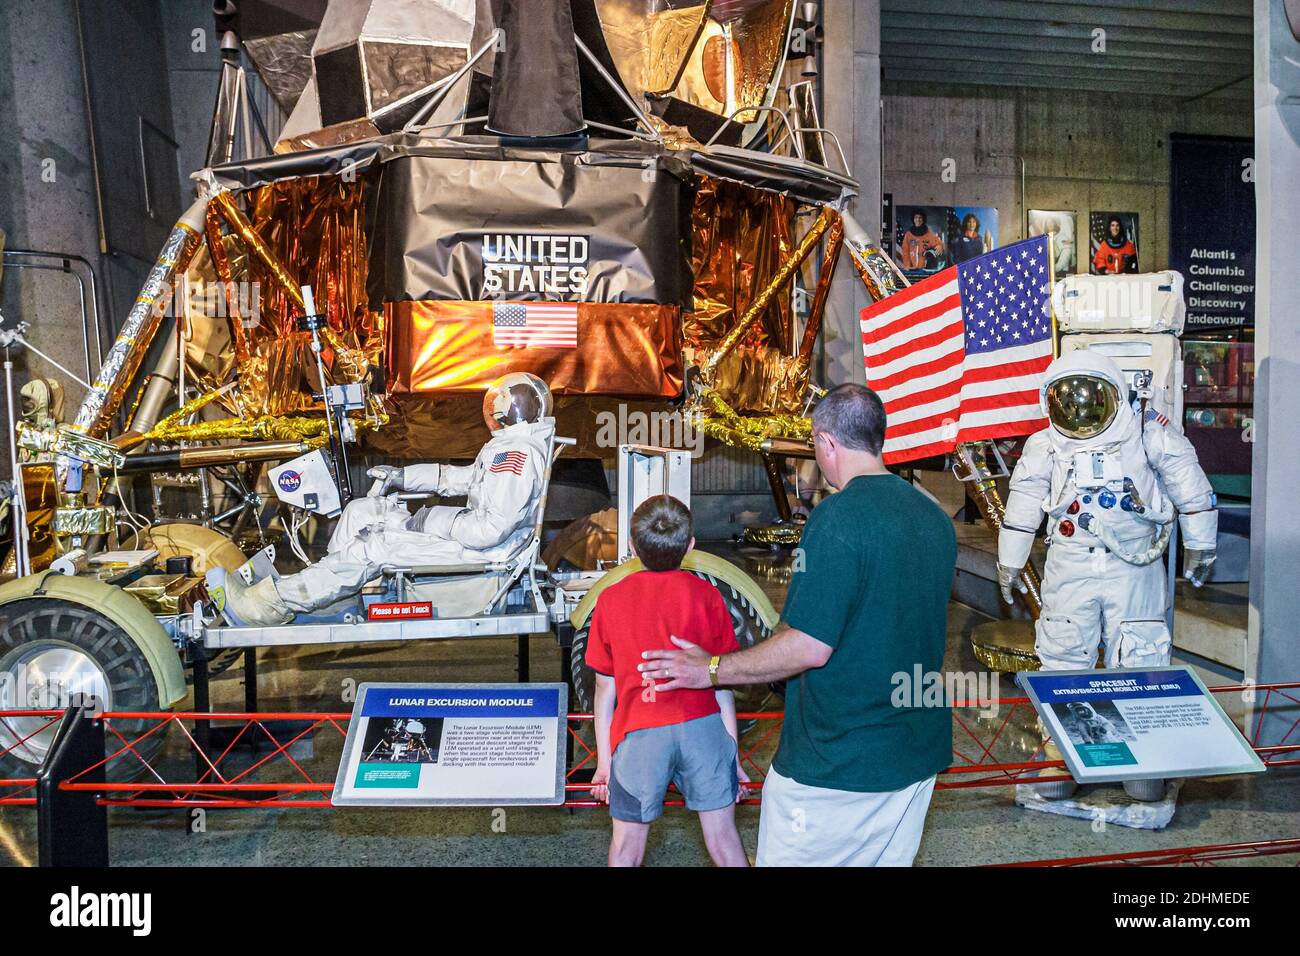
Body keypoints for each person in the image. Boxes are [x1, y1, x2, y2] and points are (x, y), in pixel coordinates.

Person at [639, 385, 957, 866]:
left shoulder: (837, 517)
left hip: (837, 763)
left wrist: (711, 668)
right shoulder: (934, 519)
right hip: (915, 755)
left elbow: (808, 646)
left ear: (827, 443)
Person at [997, 350, 1217, 801]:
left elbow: (1188, 484)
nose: (1080, 412)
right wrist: (1010, 558)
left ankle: (1143, 759)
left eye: (1091, 401)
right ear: (1050, 403)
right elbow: (1022, 503)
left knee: (1138, 659)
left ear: (1115, 395)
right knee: (1062, 656)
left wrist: (1202, 541)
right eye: (1068, 403)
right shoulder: (1046, 445)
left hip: (1131, 565)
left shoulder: (1146, 433)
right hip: (1071, 561)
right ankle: (1063, 754)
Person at [215, 373, 555, 625]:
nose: (491, 411)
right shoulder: (510, 446)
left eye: (496, 405)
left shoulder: (517, 455)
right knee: (362, 511)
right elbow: (461, 478)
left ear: (507, 411)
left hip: (483, 552)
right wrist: (402, 476)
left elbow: (488, 531)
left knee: (373, 546)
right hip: (467, 538)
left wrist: (429, 519)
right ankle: (336, 598)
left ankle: (270, 606)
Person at [584, 495, 749, 867]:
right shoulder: (709, 595)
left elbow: (604, 690)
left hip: (640, 734)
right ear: (690, 546)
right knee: (724, 840)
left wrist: (605, 763)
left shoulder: (609, 600)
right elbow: (720, 684)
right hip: (703, 729)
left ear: (630, 545)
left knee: (627, 848)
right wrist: (733, 756)